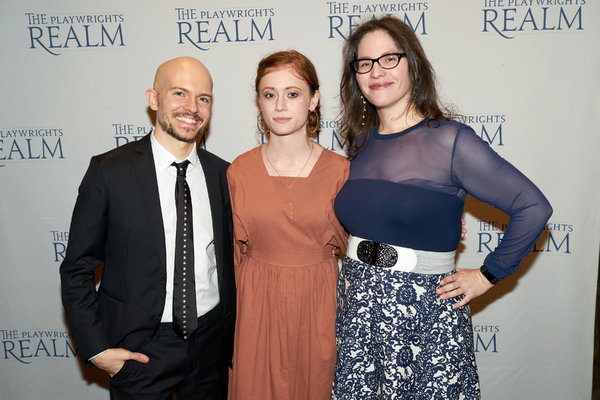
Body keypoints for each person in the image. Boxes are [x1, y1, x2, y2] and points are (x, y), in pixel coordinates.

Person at [332, 16, 552, 399]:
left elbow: (532, 207)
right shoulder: (361, 143)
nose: (376, 71)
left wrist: (486, 276)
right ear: (355, 76)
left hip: (425, 318)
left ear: (413, 65)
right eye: (364, 63)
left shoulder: (450, 141)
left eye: (389, 59)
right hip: (358, 310)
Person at [60, 56, 235, 399]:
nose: (192, 107)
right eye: (179, 93)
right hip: (140, 351)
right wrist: (97, 350)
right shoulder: (109, 173)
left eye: (203, 98)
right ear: (153, 99)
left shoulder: (224, 175)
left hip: (211, 348)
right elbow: (77, 268)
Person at [227, 50, 349, 400]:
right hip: (254, 311)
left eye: (292, 94)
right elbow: (231, 257)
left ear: (313, 100)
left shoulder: (341, 172)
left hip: (318, 308)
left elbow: (362, 249)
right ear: (260, 103)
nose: (280, 105)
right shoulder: (239, 171)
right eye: (270, 94)